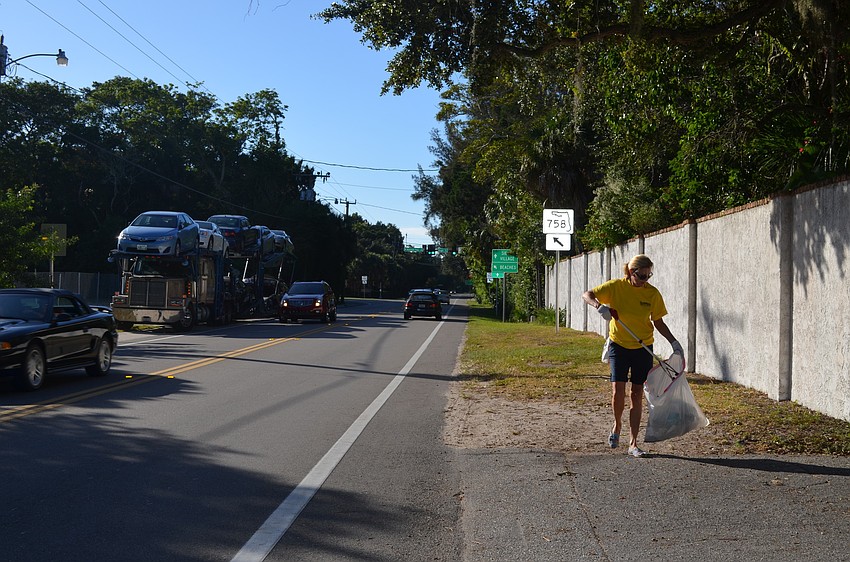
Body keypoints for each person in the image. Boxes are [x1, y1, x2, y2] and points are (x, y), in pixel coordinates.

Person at [582, 254, 683, 457]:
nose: (645, 280)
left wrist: (674, 342)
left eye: (648, 276)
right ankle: (617, 425)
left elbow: (659, 322)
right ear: (631, 272)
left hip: (643, 347)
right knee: (617, 391)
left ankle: (633, 443)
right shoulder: (616, 287)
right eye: (642, 276)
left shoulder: (652, 294)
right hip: (618, 345)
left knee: (637, 395)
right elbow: (587, 294)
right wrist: (599, 306)